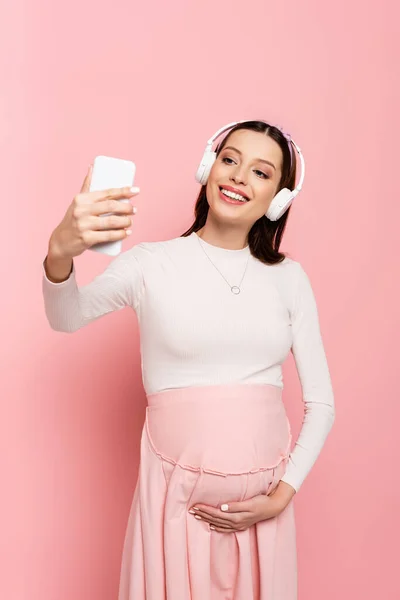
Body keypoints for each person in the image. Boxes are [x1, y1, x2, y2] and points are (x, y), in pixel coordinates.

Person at [42, 120, 335, 600]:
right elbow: (67, 316)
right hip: (170, 513)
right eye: (230, 159)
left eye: (261, 172)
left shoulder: (291, 279)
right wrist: (59, 252)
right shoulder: (150, 263)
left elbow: (322, 404)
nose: (239, 176)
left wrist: (280, 497)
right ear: (209, 168)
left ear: (279, 199)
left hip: (263, 522)